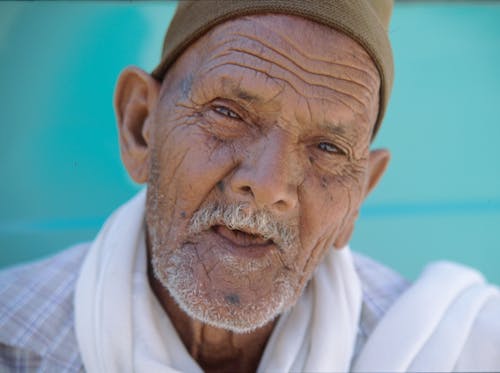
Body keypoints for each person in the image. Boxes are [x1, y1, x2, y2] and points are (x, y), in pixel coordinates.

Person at [1, 1, 499, 372]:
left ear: (359, 198)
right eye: (227, 114)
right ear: (140, 126)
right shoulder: (14, 340)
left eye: (327, 148)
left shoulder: (456, 350)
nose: (267, 186)